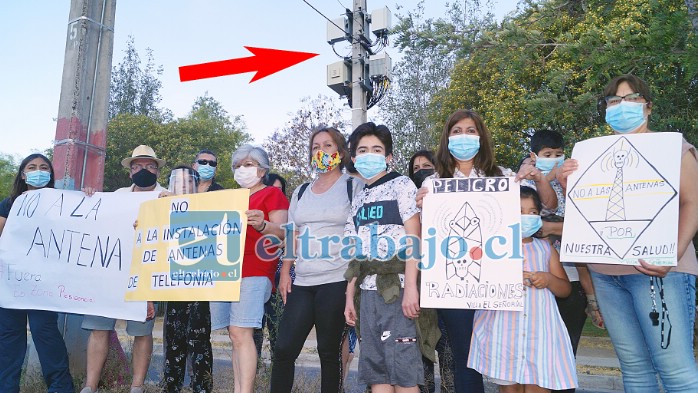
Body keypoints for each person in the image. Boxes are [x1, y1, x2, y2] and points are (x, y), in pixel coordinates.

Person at [558, 74, 698, 390]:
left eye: (630, 98)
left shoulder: (675, 150)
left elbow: (693, 204)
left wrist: (671, 255)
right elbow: (589, 215)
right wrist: (570, 185)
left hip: (661, 273)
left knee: (675, 370)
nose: (622, 106)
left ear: (648, 107)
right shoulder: (590, 159)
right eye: (613, 101)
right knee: (634, 370)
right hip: (606, 275)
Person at [270, 127, 362, 393]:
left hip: (336, 279)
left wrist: (352, 286)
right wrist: (286, 271)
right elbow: (292, 233)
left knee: (328, 353)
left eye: (328, 145)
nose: (321, 151)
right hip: (304, 281)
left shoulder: (352, 186)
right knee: (284, 348)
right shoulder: (300, 191)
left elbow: (360, 234)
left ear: (341, 151)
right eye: (315, 147)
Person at [344, 122, 430, 393]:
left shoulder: (401, 185)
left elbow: (414, 237)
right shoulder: (358, 199)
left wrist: (412, 288)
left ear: (388, 156)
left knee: (403, 372)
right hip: (366, 294)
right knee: (376, 372)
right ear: (354, 158)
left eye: (377, 149)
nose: (370, 155)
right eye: (363, 150)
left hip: (397, 288)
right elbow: (356, 252)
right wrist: (349, 296)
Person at [468, 186, 577, 391]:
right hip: (503, 333)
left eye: (533, 212)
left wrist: (548, 279)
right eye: (519, 211)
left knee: (539, 384)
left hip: (540, 334)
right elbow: (476, 284)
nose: (526, 216)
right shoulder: (491, 249)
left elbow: (565, 289)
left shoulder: (545, 248)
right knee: (509, 388)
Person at [520, 131, 603, 393]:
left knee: (564, 354)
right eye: (547, 155)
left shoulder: (577, 185)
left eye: (558, 154)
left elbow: (588, 229)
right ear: (534, 157)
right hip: (529, 282)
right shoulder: (524, 184)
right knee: (530, 359)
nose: (554, 160)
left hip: (572, 280)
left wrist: (551, 229)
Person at [80, 145, 163, 393]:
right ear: (130, 172)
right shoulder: (115, 196)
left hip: (145, 273)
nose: (143, 170)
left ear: (158, 171)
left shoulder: (168, 197)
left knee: (142, 330)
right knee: (99, 327)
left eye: (150, 165)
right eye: (137, 166)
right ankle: (89, 385)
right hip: (110, 273)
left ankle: (136, 386)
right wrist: (89, 197)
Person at [209, 144, 289, 393]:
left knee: (240, 331)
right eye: (237, 166)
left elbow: (284, 233)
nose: (242, 170)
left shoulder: (273, 195)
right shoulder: (231, 197)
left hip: (255, 268)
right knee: (235, 336)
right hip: (226, 270)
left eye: (248, 164)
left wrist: (264, 224)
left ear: (262, 169)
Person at [0, 153, 75, 393]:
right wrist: (21, 208)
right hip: (11, 283)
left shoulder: (63, 202)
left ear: (51, 174)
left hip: (43, 283)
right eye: (31, 167)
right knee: (10, 338)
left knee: (46, 333)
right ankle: (7, 387)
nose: (38, 170)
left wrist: (89, 194)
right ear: (23, 174)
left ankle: (60, 388)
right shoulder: (8, 204)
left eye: (44, 167)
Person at [159, 165, 214, 393]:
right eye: (177, 181)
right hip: (174, 283)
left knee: (199, 338)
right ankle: (171, 385)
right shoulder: (160, 207)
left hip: (200, 283)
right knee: (173, 338)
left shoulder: (210, 205)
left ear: (195, 184)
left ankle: (202, 386)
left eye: (188, 182)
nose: (183, 185)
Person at [408, 149, 455, 393]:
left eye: (427, 166)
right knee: (421, 349)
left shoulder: (450, 197)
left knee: (448, 350)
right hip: (418, 286)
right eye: (415, 168)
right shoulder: (405, 202)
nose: (421, 171)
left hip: (446, 284)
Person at [253, 173, 292, 359]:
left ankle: (277, 372)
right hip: (258, 276)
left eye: (280, 191)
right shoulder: (254, 215)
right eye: (272, 189)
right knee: (254, 330)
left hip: (280, 282)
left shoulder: (289, 216)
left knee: (278, 331)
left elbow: (291, 240)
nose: (276, 194)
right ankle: (255, 368)